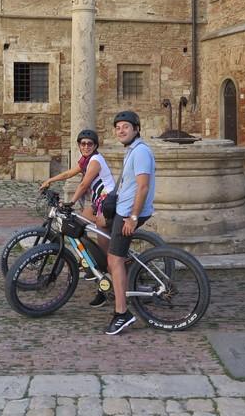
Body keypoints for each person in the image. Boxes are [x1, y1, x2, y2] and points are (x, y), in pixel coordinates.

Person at [39, 129, 116, 307]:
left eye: (90, 144)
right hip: (98, 203)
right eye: (83, 144)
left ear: (95, 146)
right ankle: (88, 262)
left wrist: (70, 202)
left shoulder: (95, 160)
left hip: (107, 204)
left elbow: (84, 184)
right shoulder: (85, 160)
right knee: (78, 226)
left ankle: (106, 286)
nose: (86, 146)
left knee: (106, 254)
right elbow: (68, 174)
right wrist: (50, 180)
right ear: (79, 146)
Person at [104, 110, 156, 335]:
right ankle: (124, 283)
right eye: (117, 127)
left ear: (136, 129)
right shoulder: (132, 151)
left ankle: (122, 313)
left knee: (114, 260)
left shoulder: (141, 151)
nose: (121, 130)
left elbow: (143, 186)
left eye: (126, 126)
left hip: (128, 214)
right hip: (122, 210)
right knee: (114, 255)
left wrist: (133, 217)